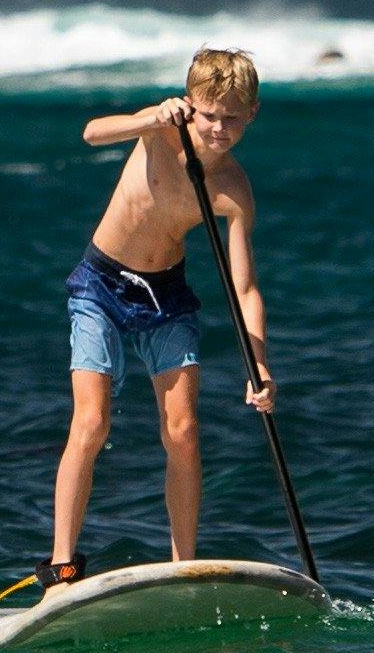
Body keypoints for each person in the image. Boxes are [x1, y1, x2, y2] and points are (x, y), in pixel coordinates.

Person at [47, 47, 275, 586]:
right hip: (100, 284)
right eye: (210, 114)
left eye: (233, 117)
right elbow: (92, 133)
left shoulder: (233, 189)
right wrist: (148, 118)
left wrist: (259, 364)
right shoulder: (161, 130)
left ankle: (183, 566)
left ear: (252, 114)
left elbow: (245, 286)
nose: (220, 128)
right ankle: (61, 562)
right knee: (92, 421)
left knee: (184, 430)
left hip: (165, 296)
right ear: (192, 105)